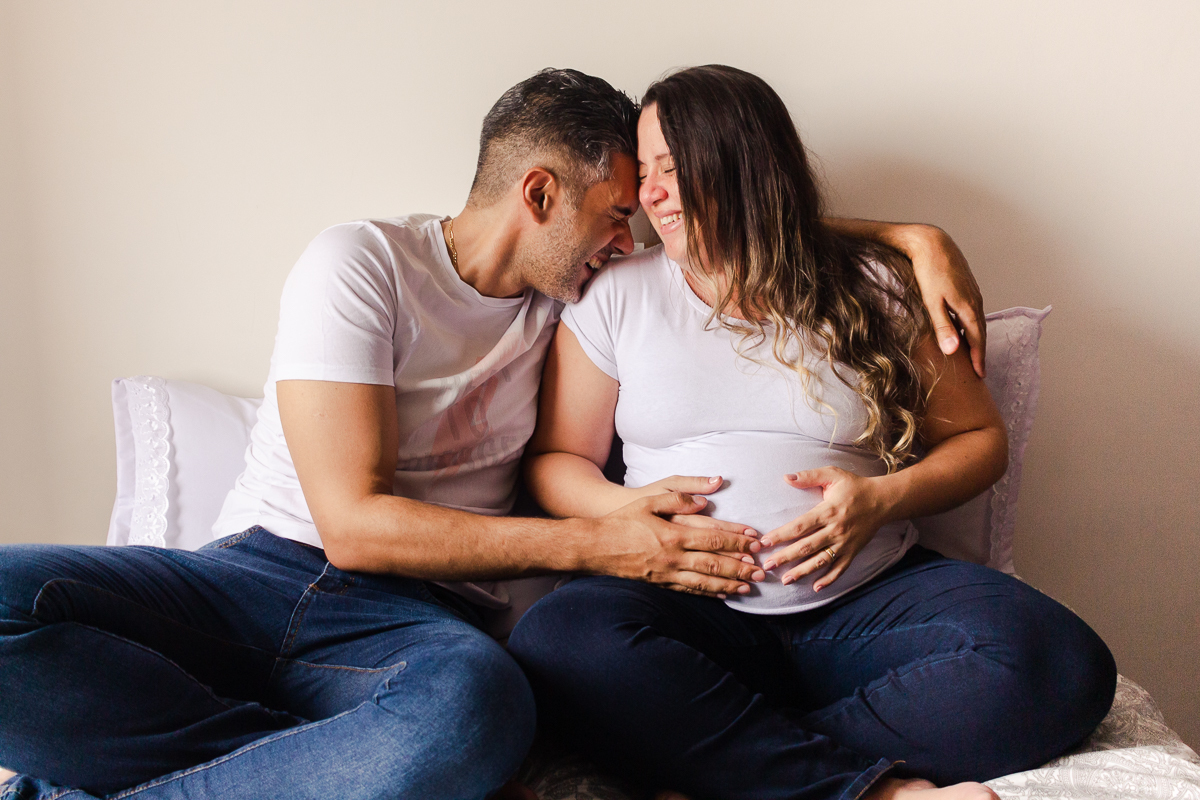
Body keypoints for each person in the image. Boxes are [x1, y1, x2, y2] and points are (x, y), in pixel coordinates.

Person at [0, 68, 988, 800]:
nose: (632, 241)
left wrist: (913, 237)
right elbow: (353, 526)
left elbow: (745, 221)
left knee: (480, 710)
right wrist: (600, 539)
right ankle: (319, 765)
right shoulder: (363, 263)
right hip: (256, 575)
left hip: (417, 628)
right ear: (540, 193)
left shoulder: (580, 304)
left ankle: (295, 765)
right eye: (614, 212)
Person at [507, 65, 1117, 800]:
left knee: (1059, 662)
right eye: (646, 173)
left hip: (864, 603)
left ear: (740, 167)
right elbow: (555, 462)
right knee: (558, 640)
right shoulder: (616, 296)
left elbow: (979, 439)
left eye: (671, 170)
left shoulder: (878, 286)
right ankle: (870, 792)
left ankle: (725, 760)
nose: (647, 196)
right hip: (687, 605)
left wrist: (883, 499)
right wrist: (627, 517)